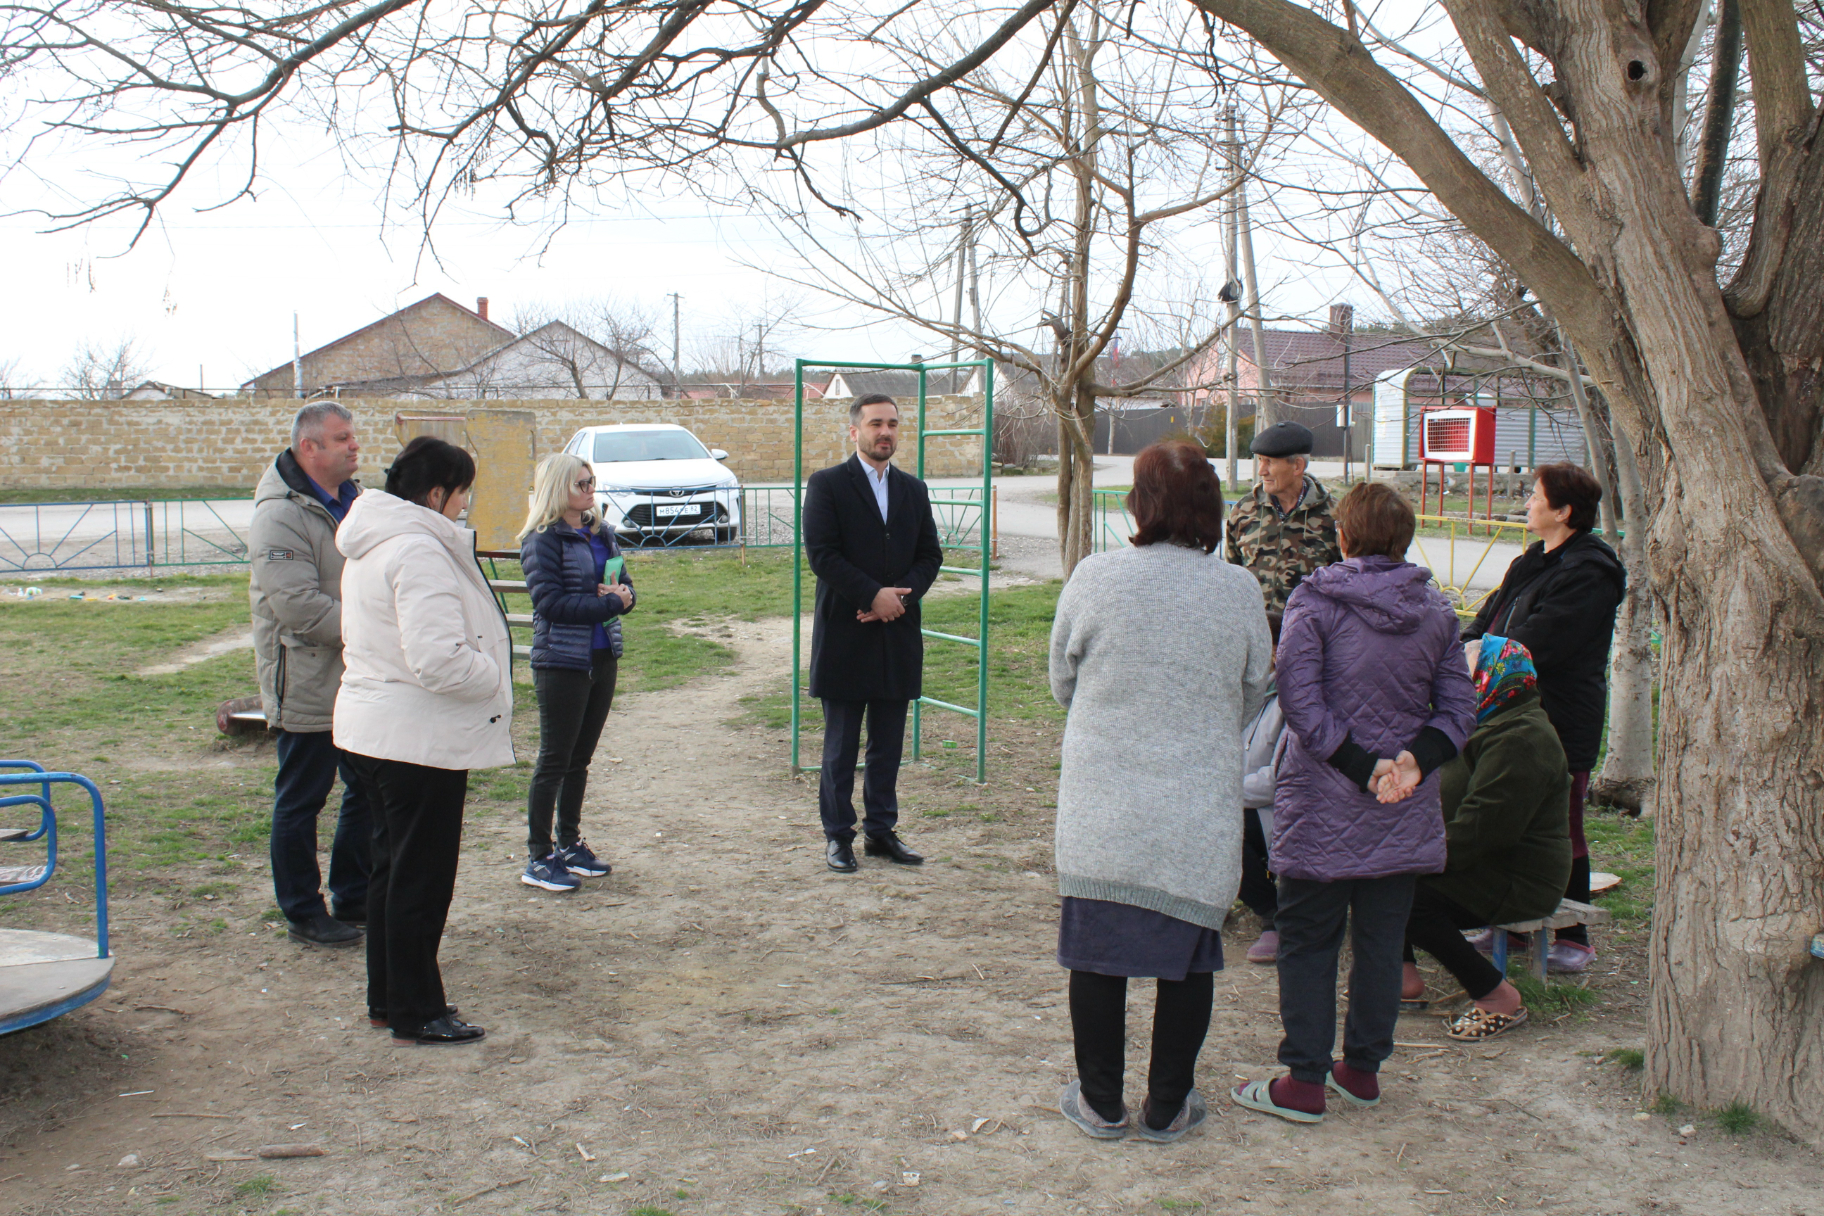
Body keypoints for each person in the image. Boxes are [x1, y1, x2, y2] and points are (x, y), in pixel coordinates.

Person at [1049, 442, 1273, 1143]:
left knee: (1097, 949)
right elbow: (1252, 690)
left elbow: (1063, 680)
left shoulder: (1094, 577)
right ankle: (1169, 1105)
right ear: (1213, 509)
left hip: (1103, 799)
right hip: (1194, 803)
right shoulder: (1237, 589)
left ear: (1139, 506)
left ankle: (1101, 1103)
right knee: (1188, 955)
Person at [1232, 481, 1475, 1125]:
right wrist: (1411, 763)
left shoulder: (1315, 602)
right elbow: (1458, 708)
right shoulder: (1437, 612)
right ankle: (1362, 1071)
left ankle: (1305, 1081)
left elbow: (1301, 703)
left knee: (1309, 940)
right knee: (1380, 940)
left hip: (1324, 801)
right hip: (1402, 800)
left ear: (1343, 535)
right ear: (1404, 538)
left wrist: (1370, 770)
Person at [334, 436, 512, 1046]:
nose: (465, 506)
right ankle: (417, 1010)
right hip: (414, 740)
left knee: (391, 871)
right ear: (437, 493)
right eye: (462, 493)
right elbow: (439, 659)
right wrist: (494, 676)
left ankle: (389, 998)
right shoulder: (417, 549)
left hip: (375, 729)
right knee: (419, 880)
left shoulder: (374, 541)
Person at [1462, 462, 1624, 974]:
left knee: (1561, 821)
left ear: (1563, 511)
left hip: (1560, 716)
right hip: (1504, 713)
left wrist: (1482, 651)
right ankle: (1506, 915)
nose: (1527, 504)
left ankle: (1573, 935)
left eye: (1535, 497)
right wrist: (1465, 644)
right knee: (1505, 812)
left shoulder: (1590, 572)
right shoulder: (1532, 561)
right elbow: (1488, 618)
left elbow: (1537, 642)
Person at [1402, 635, 1571, 1042]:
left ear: (1491, 676)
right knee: (1380, 874)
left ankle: (1497, 996)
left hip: (1518, 877)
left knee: (1405, 895)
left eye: (1463, 673)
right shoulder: (1489, 719)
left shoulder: (1520, 738)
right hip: (1485, 862)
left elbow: (1484, 829)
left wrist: (1415, 856)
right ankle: (1401, 978)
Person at [803, 393, 943, 874]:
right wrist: (871, 596)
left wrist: (899, 599)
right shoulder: (827, 485)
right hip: (846, 632)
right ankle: (838, 836)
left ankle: (881, 832)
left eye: (893, 425)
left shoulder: (913, 489)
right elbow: (822, 554)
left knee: (887, 744)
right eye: (876, 424)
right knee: (840, 746)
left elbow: (930, 555)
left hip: (896, 634)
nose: (886, 432)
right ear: (854, 431)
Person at [249, 401, 370, 949]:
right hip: (306, 678)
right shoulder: (280, 514)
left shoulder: (355, 500)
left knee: (366, 788)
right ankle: (302, 909)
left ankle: (354, 893)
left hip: (356, 675)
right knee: (302, 798)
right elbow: (298, 607)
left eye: (353, 437)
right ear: (309, 449)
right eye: (341, 438)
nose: (353, 446)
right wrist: (376, 629)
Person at [517, 452, 636, 892]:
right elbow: (549, 604)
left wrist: (623, 595)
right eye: (581, 484)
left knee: (580, 758)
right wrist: (610, 603)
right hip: (561, 661)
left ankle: (569, 843)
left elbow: (626, 587)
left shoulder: (601, 532)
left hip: (602, 656)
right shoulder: (541, 539)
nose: (590, 490)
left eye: (592, 482)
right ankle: (539, 855)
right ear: (558, 489)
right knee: (554, 759)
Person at [1225, 420, 1343, 614]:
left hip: (1311, 638)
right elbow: (1232, 578)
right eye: (1260, 460)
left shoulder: (1335, 515)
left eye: (1269, 462)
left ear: (1297, 466)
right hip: (1256, 636)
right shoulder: (1244, 510)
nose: (1261, 470)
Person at [1239, 613, 1286, 964]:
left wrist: (1221, 791)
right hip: (1239, 799)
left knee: (1219, 832)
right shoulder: (1241, 692)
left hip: (1274, 811)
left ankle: (1274, 915)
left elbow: (1277, 781)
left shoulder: (1291, 700)